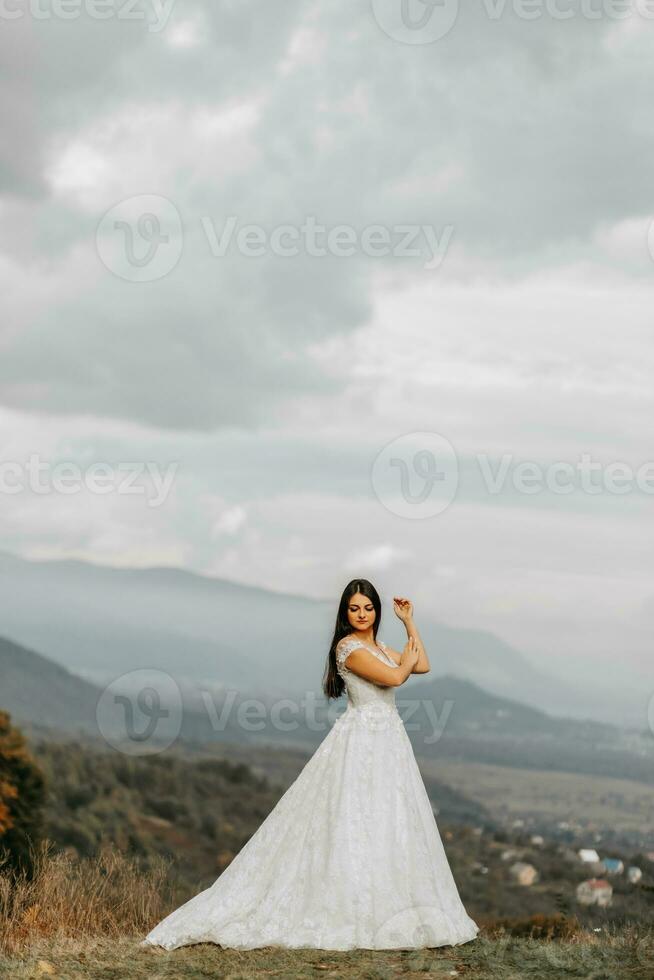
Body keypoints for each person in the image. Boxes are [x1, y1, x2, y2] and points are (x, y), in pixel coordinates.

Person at [142, 578, 479, 951]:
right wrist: (405, 656)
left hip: (389, 741)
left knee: (386, 819)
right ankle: (351, 909)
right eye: (354, 608)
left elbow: (424, 665)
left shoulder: (378, 645)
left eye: (368, 608)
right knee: (352, 820)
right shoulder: (348, 648)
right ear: (344, 613)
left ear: (376, 611)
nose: (362, 614)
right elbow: (397, 676)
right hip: (363, 740)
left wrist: (409, 622)